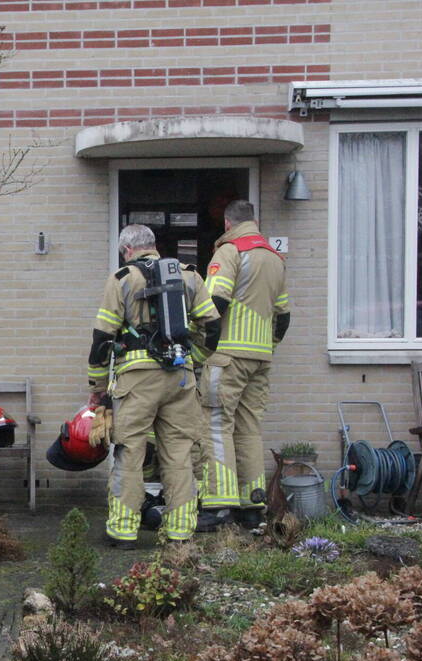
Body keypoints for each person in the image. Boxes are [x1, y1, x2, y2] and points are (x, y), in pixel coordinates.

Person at [88, 224, 221, 547]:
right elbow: (213, 325)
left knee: (130, 452)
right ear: (153, 245)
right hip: (181, 377)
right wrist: (195, 358)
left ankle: (123, 531)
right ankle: (179, 531)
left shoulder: (121, 279)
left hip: (136, 380)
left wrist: (98, 385)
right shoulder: (190, 276)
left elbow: (103, 337)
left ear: (127, 250)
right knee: (179, 453)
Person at [194, 200, 290, 532]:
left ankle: (219, 504)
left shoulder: (230, 251)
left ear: (226, 224)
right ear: (254, 221)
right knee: (249, 427)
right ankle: (252, 504)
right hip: (260, 358)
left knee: (216, 425)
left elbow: (215, 302)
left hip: (228, 356)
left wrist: (199, 342)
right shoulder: (275, 259)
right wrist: (268, 347)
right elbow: (284, 316)